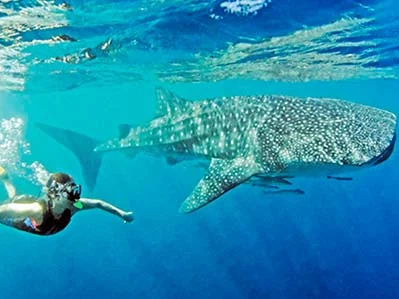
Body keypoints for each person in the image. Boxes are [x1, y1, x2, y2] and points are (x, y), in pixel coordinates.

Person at [0, 166, 133, 236]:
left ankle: (5, 178)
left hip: (36, 207)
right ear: (57, 193)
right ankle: (5, 178)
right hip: (21, 215)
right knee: (11, 200)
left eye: (75, 189)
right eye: (70, 190)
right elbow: (5, 210)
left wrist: (122, 214)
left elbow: (98, 203)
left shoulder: (76, 205)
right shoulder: (36, 210)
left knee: (13, 197)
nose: (75, 194)